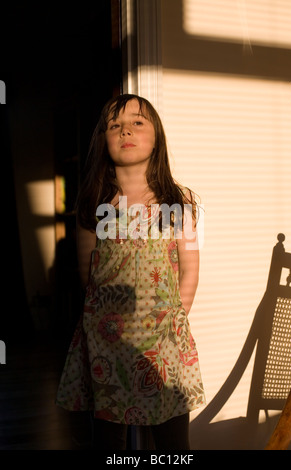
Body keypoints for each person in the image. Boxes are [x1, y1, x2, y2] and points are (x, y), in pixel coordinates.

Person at [55, 93, 205, 450]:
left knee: (172, 439)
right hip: (108, 343)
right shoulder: (94, 202)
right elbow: (87, 275)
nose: (126, 131)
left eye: (138, 122)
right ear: (103, 139)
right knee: (109, 438)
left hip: (165, 346)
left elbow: (190, 271)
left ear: (157, 136)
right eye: (115, 125)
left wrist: (174, 323)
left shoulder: (177, 201)